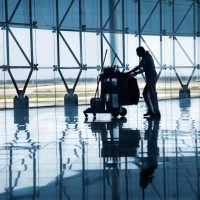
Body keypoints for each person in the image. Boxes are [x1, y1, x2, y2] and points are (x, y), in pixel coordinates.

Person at [126, 46, 161, 118]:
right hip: (150, 78)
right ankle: (151, 111)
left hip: (151, 78)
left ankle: (156, 112)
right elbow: (144, 69)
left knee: (152, 95)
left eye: (137, 52)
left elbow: (139, 67)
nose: (137, 54)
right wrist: (137, 73)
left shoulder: (146, 58)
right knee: (145, 94)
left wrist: (129, 72)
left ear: (141, 52)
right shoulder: (146, 57)